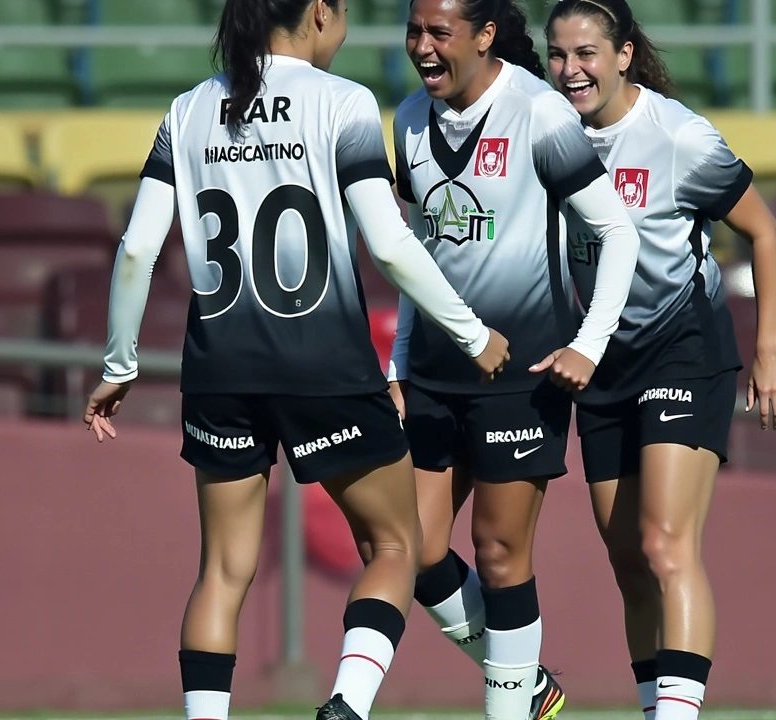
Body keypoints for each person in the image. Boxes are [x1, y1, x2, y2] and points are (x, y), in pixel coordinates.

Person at [83, 1, 521, 719]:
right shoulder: (342, 102)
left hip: (220, 368)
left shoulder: (188, 108)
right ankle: (347, 704)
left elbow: (136, 247)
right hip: (323, 364)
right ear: (320, 12)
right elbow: (387, 241)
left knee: (223, 570)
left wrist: (119, 364)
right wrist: (470, 332)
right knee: (395, 543)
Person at [386, 1, 641, 719]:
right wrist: (398, 365)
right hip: (436, 372)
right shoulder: (406, 120)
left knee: (499, 555)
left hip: (520, 375)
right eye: (415, 32)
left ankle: (511, 705)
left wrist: (589, 344)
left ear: (486, 35)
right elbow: (416, 260)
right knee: (410, 548)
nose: (424, 48)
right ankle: (527, 687)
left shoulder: (539, 112)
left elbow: (617, 233)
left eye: (441, 33)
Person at [543, 2, 776, 720]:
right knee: (630, 564)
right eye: (559, 55)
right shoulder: (548, 133)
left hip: (681, 349)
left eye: (588, 53)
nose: (571, 71)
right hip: (600, 361)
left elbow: (765, 232)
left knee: (664, 542)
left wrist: (769, 351)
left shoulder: (677, 137)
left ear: (624, 54)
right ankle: (657, 706)